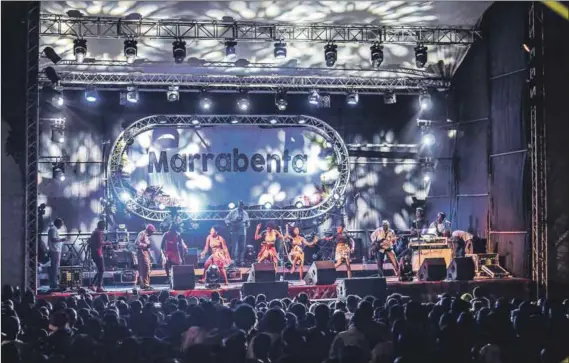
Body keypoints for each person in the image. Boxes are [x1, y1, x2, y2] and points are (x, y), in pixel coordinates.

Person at [224, 201, 250, 266]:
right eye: (240, 205)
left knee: (242, 247)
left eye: (242, 205)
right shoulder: (233, 212)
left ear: (243, 205)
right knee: (234, 247)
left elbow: (248, 223)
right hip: (234, 231)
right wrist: (230, 224)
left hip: (243, 232)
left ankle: (241, 261)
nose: (241, 206)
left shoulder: (245, 213)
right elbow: (226, 219)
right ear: (238, 205)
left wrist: (246, 224)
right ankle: (233, 261)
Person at [89, 220, 111, 292]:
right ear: (102, 226)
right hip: (98, 253)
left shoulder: (95, 232)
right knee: (101, 270)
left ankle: (92, 285)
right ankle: (99, 287)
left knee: (100, 270)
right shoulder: (98, 233)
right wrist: (107, 243)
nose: (104, 227)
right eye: (104, 226)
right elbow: (100, 243)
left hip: (95, 253)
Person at [136, 224, 156, 290]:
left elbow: (148, 247)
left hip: (145, 253)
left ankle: (144, 284)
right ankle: (145, 284)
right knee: (145, 268)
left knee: (146, 268)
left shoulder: (147, 236)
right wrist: (145, 245)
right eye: (152, 232)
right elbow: (138, 243)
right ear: (149, 230)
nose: (152, 234)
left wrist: (151, 256)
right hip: (141, 252)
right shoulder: (142, 233)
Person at [47, 218, 66, 289]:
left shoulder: (53, 229)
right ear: (58, 223)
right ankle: (54, 284)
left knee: (55, 267)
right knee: (55, 268)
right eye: (61, 224)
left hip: (56, 251)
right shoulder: (53, 230)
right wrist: (61, 239)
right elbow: (53, 239)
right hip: (55, 251)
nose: (61, 226)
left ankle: (54, 283)